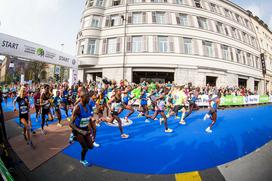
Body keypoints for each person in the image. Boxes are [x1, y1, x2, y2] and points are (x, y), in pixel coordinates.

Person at [69, 88, 95, 167]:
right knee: (85, 148)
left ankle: (74, 138)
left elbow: (88, 117)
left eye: (89, 97)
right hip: (78, 130)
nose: (89, 98)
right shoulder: (77, 108)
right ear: (82, 97)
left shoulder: (88, 105)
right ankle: (82, 160)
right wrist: (80, 131)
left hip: (85, 129)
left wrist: (91, 128)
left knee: (91, 146)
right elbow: (70, 124)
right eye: (87, 97)